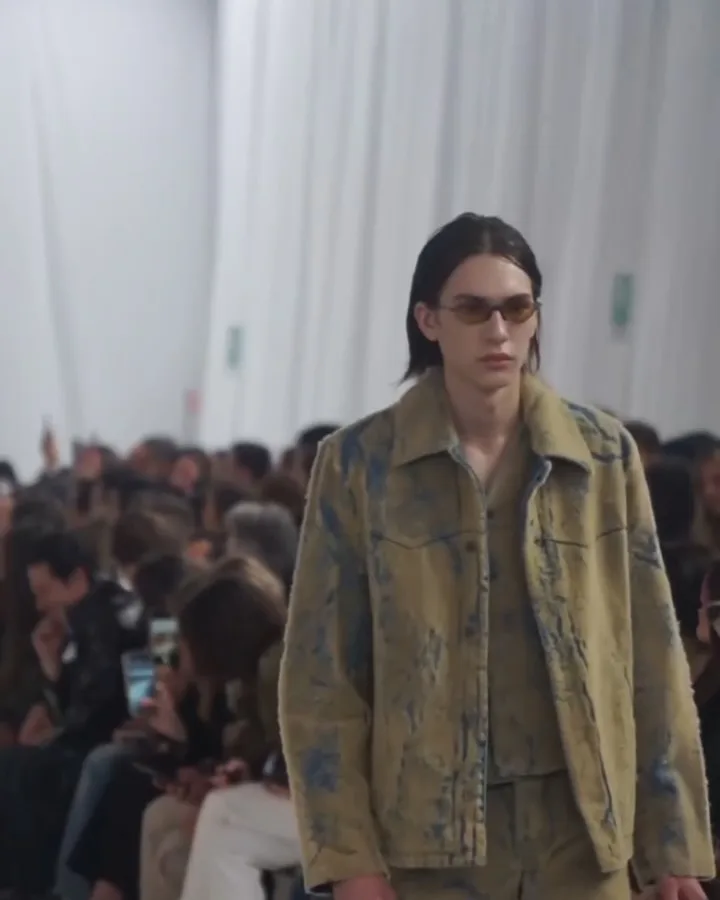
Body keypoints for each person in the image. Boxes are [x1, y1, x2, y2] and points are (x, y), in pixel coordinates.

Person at [279, 213, 714, 900]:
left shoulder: (601, 455)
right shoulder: (360, 464)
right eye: (473, 309)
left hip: (584, 836)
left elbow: (652, 659)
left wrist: (674, 844)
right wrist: (350, 860)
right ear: (428, 320)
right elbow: (321, 680)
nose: (499, 330)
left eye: (517, 308)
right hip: (427, 841)